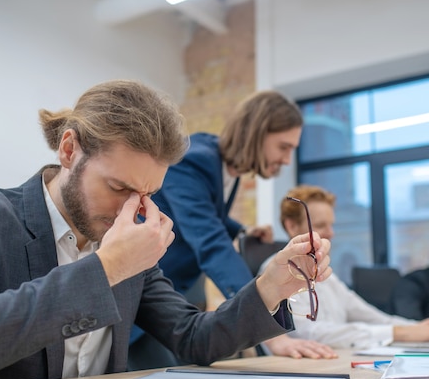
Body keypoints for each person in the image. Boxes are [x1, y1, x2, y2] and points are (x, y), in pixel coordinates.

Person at [0, 80, 333, 379]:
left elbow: (194, 337)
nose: (134, 211)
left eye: (147, 194)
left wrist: (268, 289)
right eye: (119, 188)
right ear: (69, 151)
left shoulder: (131, 240)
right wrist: (105, 269)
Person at [134, 90, 337, 363]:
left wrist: (241, 230)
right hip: (144, 295)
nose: (288, 160)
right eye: (283, 147)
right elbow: (212, 245)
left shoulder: (222, 167)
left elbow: (206, 213)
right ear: (257, 133)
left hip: (175, 295)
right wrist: (272, 332)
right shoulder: (194, 160)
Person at [259, 185, 429, 349]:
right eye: (321, 225)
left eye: (332, 225)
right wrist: (399, 333)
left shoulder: (324, 275)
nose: (331, 233)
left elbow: (373, 316)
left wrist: (427, 328)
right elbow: (306, 333)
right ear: (291, 226)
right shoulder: (276, 271)